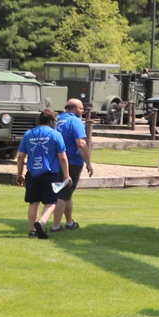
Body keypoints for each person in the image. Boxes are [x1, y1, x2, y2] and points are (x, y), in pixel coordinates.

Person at [15, 109, 70, 240]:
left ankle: (33, 231)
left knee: (33, 202)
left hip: (32, 174)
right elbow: (62, 157)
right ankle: (42, 222)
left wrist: (20, 174)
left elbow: (20, 156)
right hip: (50, 174)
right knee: (51, 203)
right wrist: (67, 175)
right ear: (51, 121)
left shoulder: (28, 134)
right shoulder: (56, 135)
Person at [51, 98, 94, 233]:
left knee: (66, 192)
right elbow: (81, 143)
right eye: (81, 108)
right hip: (72, 162)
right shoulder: (75, 121)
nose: (82, 111)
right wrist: (88, 163)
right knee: (62, 195)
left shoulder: (56, 120)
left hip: (55, 161)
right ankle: (56, 226)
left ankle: (69, 223)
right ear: (74, 109)